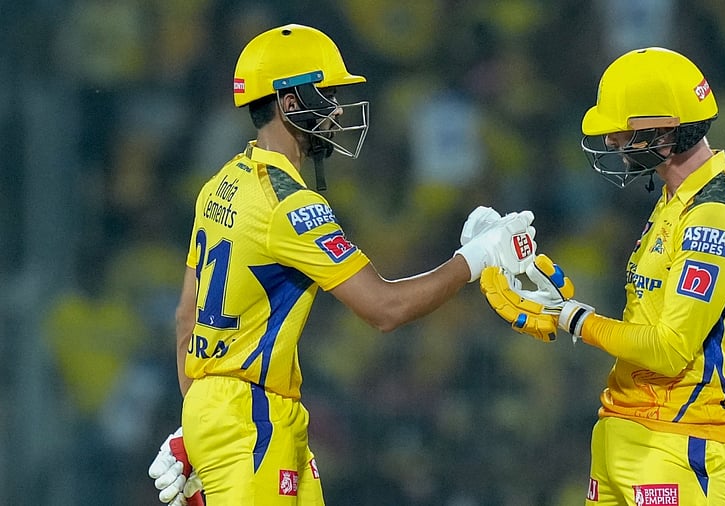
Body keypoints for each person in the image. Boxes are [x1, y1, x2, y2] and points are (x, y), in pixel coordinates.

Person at [147, 24, 538, 506]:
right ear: (291, 103)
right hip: (252, 419)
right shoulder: (288, 204)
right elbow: (384, 308)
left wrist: (196, 428)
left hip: (237, 411)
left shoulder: (220, 185)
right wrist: (477, 259)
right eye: (326, 94)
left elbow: (187, 316)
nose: (335, 110)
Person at [481, 47, 725, 505]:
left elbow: (670, 350)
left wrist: (571, 318)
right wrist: (558, 301)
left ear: (665, 130)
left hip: (679, 439)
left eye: (622, 131)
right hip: (627, 426)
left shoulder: (715, 219)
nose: (612, 142)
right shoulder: (678, 202)